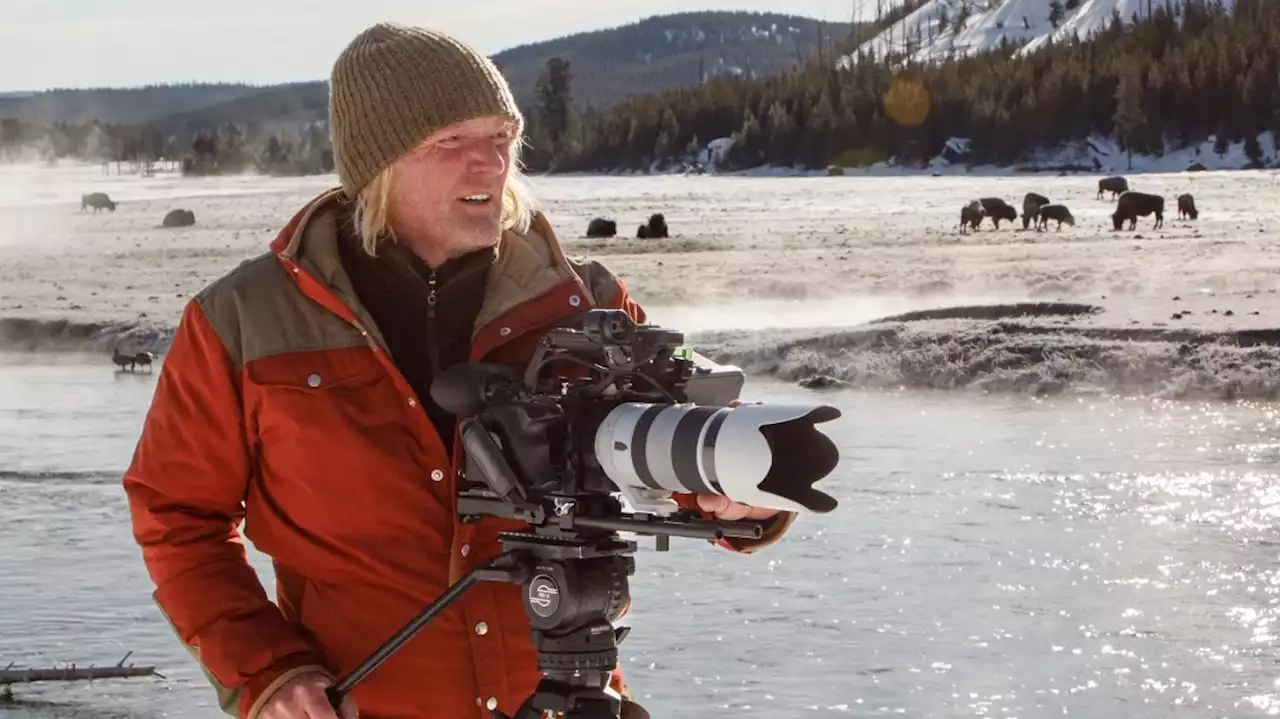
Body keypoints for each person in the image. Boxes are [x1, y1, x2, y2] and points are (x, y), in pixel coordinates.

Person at [121, 22, 796, 719]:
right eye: (451, 143)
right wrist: (266, 671)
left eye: (501, 139)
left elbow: (659, 453)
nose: (490, 165)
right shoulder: (243, 320)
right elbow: (176, 516)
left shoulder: (581, 302)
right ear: (377, 162)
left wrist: (742, 496)